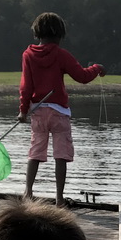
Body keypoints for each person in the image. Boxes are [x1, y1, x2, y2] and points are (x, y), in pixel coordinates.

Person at [18, 12, 105, 207]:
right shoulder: (61, 55)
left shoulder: (28, 55)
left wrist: (23, 110)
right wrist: (97, 68)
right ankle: (58, 199)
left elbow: (26, 86)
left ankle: (28, 193)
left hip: (38, 111)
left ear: (37, 33)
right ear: (59, 35)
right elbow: (82, 76)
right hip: (59, 112)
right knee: (61, 155)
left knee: (35, 152)